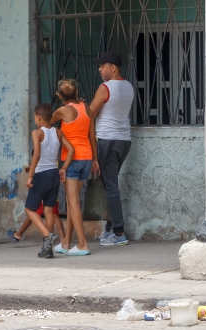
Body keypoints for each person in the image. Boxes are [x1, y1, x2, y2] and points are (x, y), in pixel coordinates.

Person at [50, 79, 99, 256]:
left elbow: (45, 123)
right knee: (73, 203)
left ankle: (83, 243)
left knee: (73, 202)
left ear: (60, 96)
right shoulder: (86, 108)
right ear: (76, 93)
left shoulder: (63, 110)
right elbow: (92, 137)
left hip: (70, 160)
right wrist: (95, 159)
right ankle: (65, 242)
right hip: (86, 158)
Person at [89, 51, 134, 246]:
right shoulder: (128, 87)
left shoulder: (105, 88)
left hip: (107, 140)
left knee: (111, 186)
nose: (99, 69)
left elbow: (90, 114)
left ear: (112, 68)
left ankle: (118, 232)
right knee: (110, 185)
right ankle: (110, 228)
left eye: (102, 66)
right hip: (124, 141)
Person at [25, 103, 75, 259]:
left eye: (35, 118)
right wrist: (63, 168)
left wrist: (30, 175)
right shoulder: (58, 132)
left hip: (41, 174)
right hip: (54, 174)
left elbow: (37, 155)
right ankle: (48, 250)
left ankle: (48, 235)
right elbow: (71, 150)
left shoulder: (37, 133)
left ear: (39, 117)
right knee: (48, 211)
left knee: (29, 209)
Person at [7, 165, 65, 242]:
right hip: (52, 183)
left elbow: (40, 162)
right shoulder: (54, 159)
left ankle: (50, 237)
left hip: (42, 186)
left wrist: (31, 174)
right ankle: (61, 239)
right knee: (51, 213)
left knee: (32, 211)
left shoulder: (43, 158)